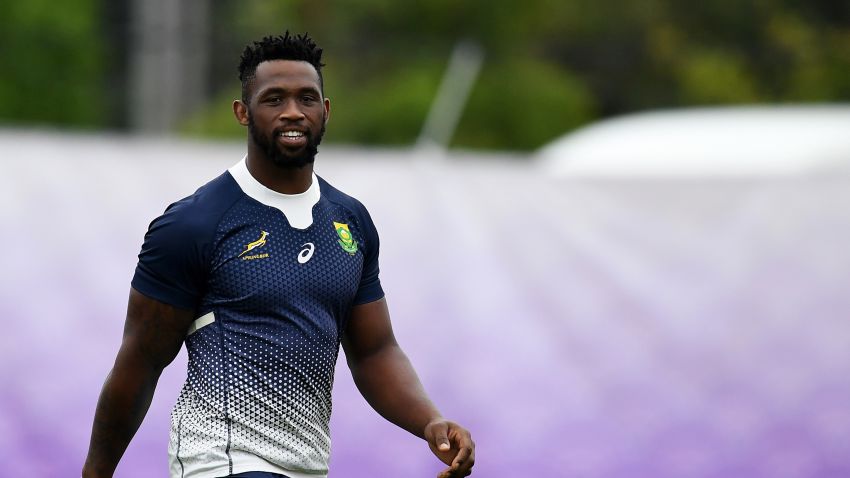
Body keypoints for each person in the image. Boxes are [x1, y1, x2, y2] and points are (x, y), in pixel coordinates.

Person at [82, 32, 475, 478]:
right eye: (274, 99)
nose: (293, 112)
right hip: (222, 460)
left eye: (307, 98)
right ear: (242, 112)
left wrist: (430, 422)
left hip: (307, 465)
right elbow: (140, 359)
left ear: (325, 112)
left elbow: (374, 351)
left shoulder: (350, 221)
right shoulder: (194, 224)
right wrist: (96, 472)